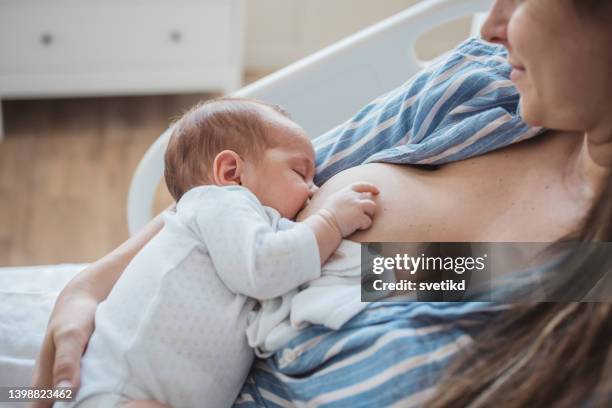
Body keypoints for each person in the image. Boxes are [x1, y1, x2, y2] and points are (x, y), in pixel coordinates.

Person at [32, 0, 612, 406]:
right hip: (120, 351)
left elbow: (394, 273)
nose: (490, 25)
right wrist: (88, 286)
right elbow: (235, 193)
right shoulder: (485, 90)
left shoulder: (579, 273)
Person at [54, 97, 379, 407]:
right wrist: (331, 221)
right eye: (300, 173)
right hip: (120, 395)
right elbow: (268, 268)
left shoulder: (239, 218)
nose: (315, 190)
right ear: (230, 173)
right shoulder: (221, 202)